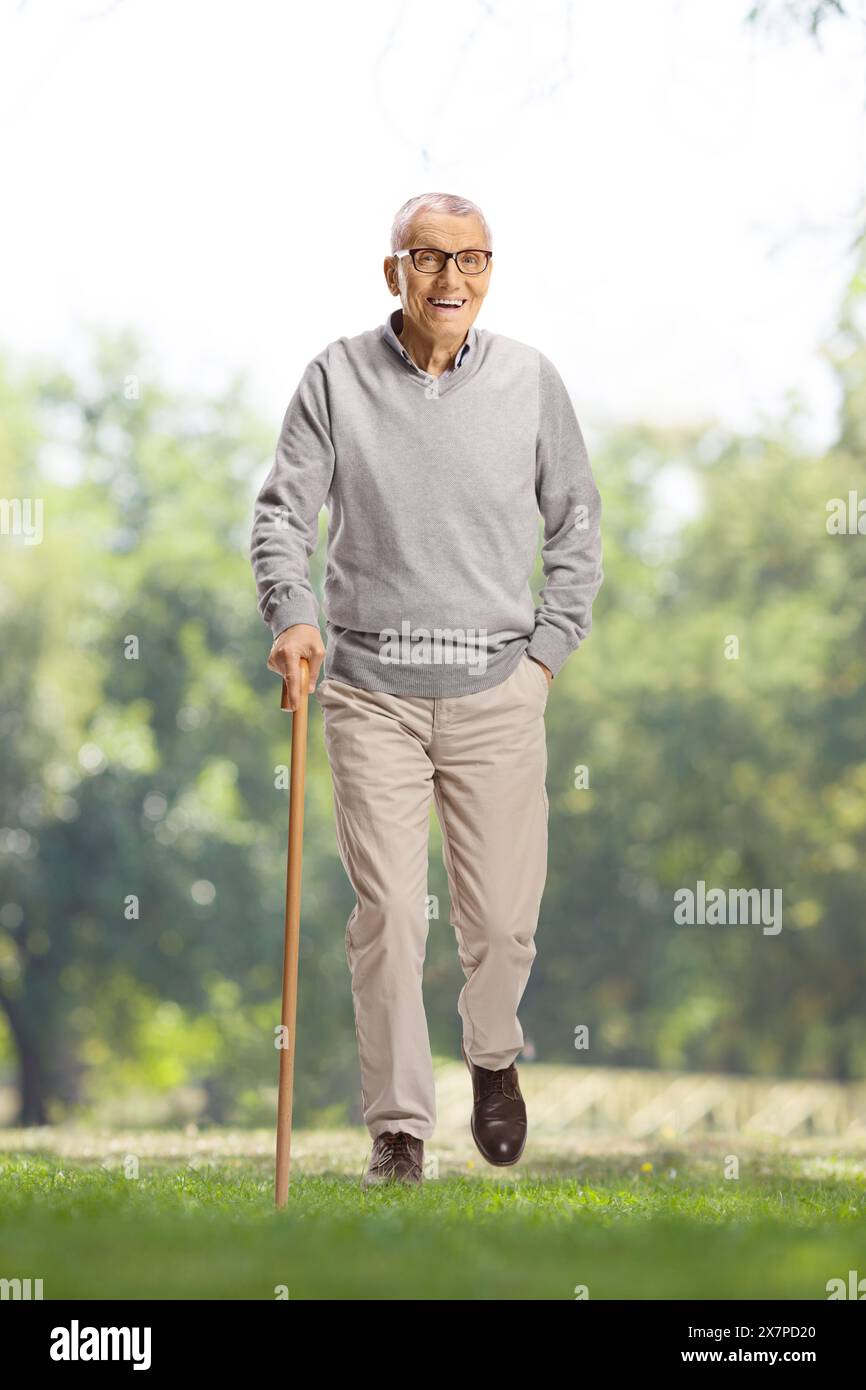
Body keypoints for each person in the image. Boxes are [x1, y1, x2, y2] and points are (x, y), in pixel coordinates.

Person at [250, 191, 603, 1187]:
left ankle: (493, 1058)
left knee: (497, 923)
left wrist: (544, 657)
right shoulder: (335, 376)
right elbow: (283, 513)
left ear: (490, 270)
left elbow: (574, 526)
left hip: (499, 686)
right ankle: (398, 1129)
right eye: (430, 258)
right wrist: (292, 613)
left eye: (473, 259)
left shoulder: (530, 382)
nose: (452, 280)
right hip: (369, 690)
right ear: (392, 270)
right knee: (391, 914)